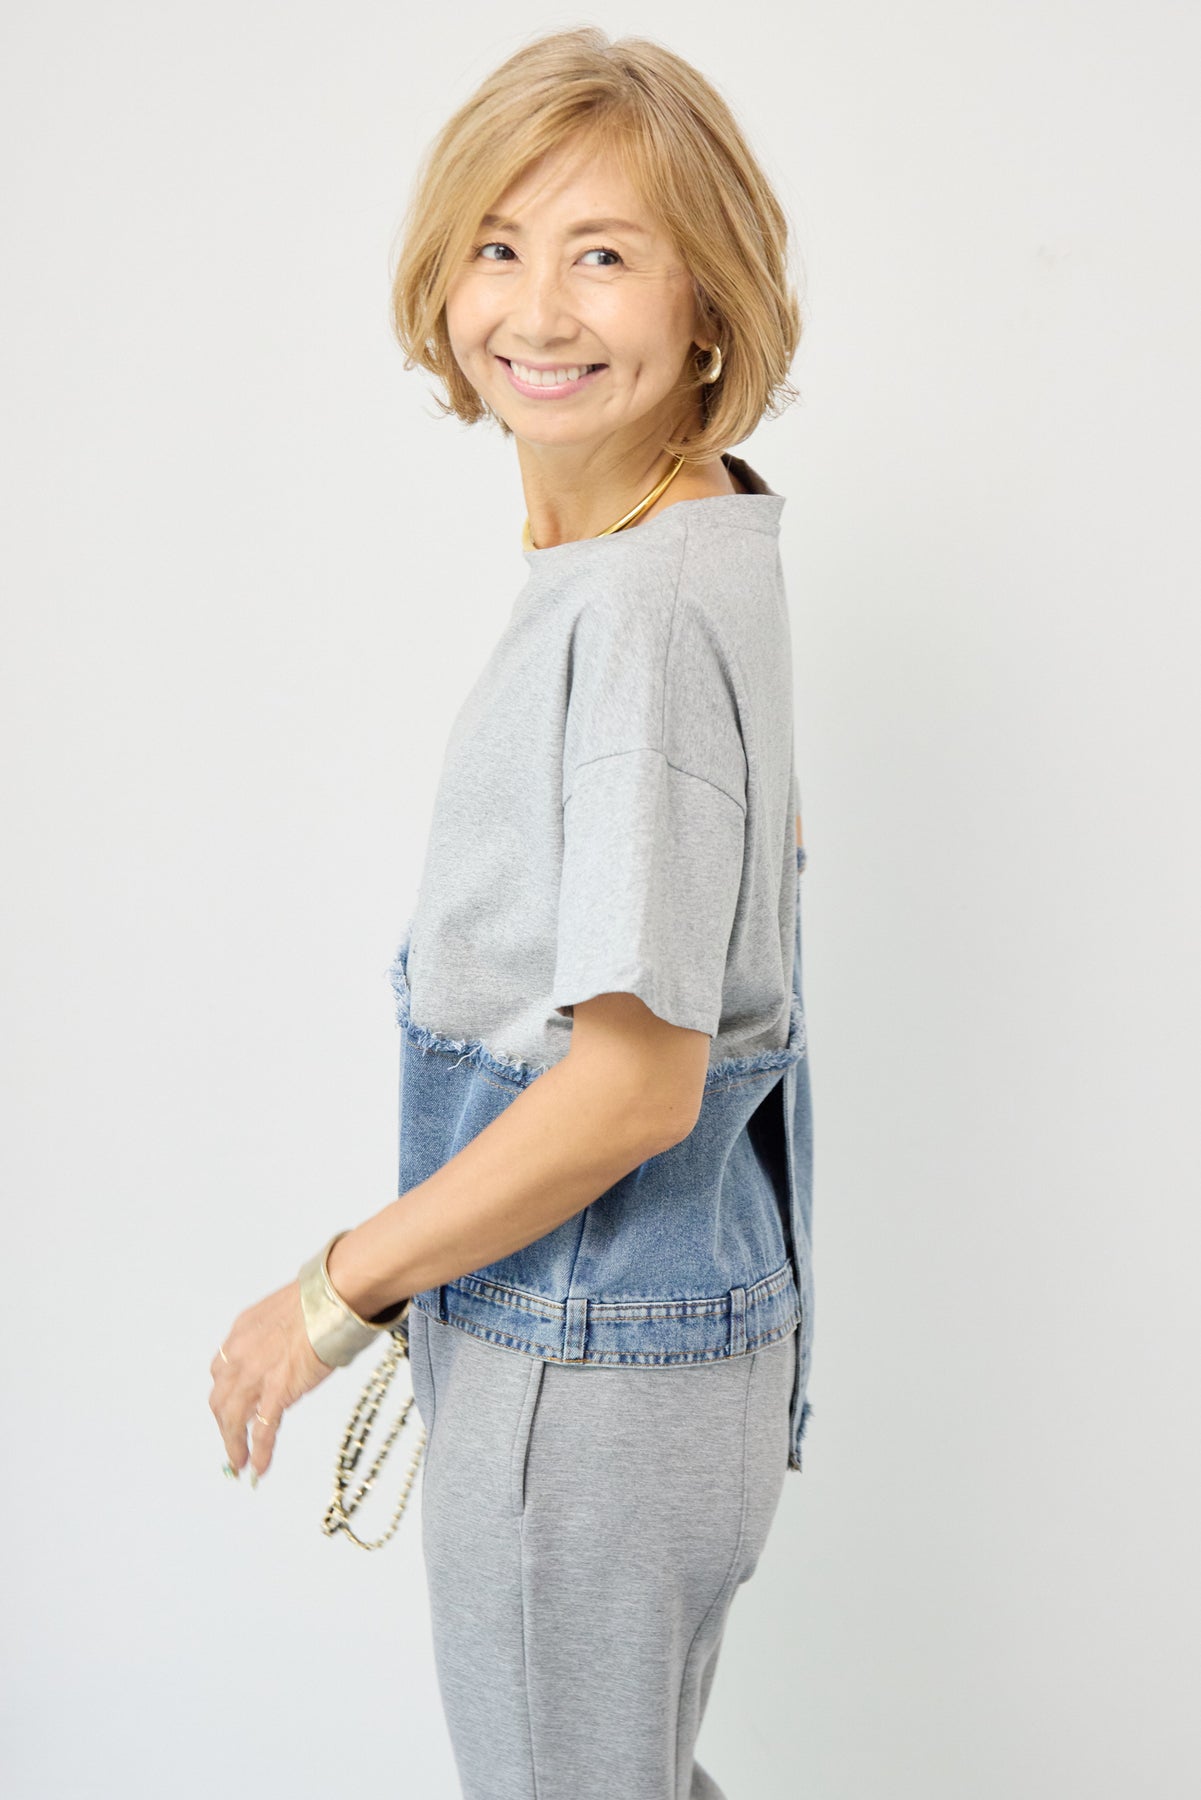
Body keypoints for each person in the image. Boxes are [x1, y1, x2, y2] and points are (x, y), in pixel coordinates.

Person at [209, 26, 815, 1800]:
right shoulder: (688, 548)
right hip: (642, 1348)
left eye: (603, 253)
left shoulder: (634, 621)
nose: (537, 310)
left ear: (706, 306)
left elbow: (633, 1085)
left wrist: (331, 1293)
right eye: (498, 244)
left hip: (589, 1373)